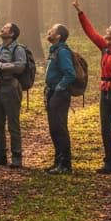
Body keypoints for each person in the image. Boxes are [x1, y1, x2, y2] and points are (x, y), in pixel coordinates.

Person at [72, 0, 111, 177]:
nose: (106, 31)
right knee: (105, 128)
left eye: (109, 29)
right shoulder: (105, 47)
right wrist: (80, 12)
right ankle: (109, 164)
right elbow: (90, 32)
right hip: (105, 92)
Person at [0, 21, 26, 168]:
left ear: (12, 33)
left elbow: (21, 66)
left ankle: (17, 158)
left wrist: (2, 66)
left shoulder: (18, 48)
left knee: (13, 124)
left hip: (11, 87)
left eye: (5, 28)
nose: (2, 28)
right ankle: (0, 155)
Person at [43, 22, 76, 174]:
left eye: (53, 30)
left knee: (60, 128)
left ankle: (65, 164)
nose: (49, 31)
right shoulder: (55, 50)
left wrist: (58, 89)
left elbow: (70, 73)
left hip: (59, 94)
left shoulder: (62, 51)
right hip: (52, 92)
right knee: (54, 128)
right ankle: (58, 162)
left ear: (59, 36)